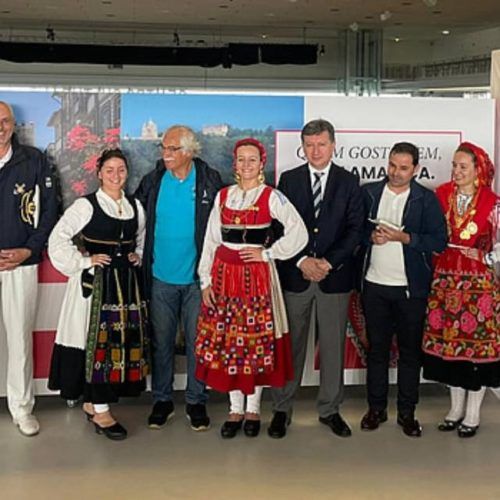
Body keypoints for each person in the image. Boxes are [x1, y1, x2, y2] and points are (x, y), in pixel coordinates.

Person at [195, 138, 307, 438]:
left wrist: (268, 253)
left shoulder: (272, 197)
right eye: (241, 159)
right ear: (235, 163)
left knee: (253, 341)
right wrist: (205, 279)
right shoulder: (222, 197)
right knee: (230, 341)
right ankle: (234, 407)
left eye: (252, 159)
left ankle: (253, 408)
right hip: (223, 276)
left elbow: (300, 233)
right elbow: (210, 241)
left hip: (256, 278)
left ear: (261, 163)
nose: (246, 165)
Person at [268, 119, 364, 439]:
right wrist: (300, 260)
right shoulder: (289, 180)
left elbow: (355, 230)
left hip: (333, 278)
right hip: (295, 277)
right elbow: (277, 229)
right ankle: (281, 409)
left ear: (333, 145)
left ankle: (330, 410)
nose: (315, 151)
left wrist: (327, 262)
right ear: (302, 146)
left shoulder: (349, 182)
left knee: (333, 348)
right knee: (290, 346)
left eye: (321, 144)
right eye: (309, 145)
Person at [48, 148, 148, 440]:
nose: (115, 175)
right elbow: (58, 239)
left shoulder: (135, 207)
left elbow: (140, 238)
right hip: (96, 286)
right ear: (99, 173)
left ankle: (94, 403)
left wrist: (137, 255)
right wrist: (83, 261)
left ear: (127, 173)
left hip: (125, 284)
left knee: (116, 342)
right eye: (109, 170)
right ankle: (101, 409)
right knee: (95, 344)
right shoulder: (85, 206)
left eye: (121, 170)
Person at [135, 125, 222, 431]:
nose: (165, 154)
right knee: (161, 343)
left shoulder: (210, 181)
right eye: (164, 148)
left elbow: (220, 230)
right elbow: (135, 218)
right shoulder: (154, 180)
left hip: (198, 281)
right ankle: (161, 400)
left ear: (189, 152)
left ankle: (197, 401)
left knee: (199, 343)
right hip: (161, 277)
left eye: (172, 149)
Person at [359, 142, 447, 437]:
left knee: (410, 354)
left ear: (416, 169)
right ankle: (376, 409)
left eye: (404, 168)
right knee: (377, 352)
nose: (396, 173)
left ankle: (407, 413)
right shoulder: (369, 192)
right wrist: (369, 236)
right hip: (374, 286)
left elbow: (438, 241)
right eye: (392, 166)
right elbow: (354, 230)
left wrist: (404, 237)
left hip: (412, 290)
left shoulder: (426, 199)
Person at [422, 142, 500, 437]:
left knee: (475, 353)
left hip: (478, 287)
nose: (456, 171)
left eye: (462, 166)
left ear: (478, 170)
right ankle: (455, 409)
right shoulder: (441, 196)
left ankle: (473, 413)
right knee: (448, 348)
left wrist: (487, 257)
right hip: (444, 282)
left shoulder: (493, 204)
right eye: (454, 165)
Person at [0, 101, 57, 436]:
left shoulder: (34, 160)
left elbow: (49, 211)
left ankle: (22, 409)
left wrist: (28, 250)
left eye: (5, 121)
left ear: (14, 124)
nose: (0, 127)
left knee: (20, 338)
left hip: (20, 264)